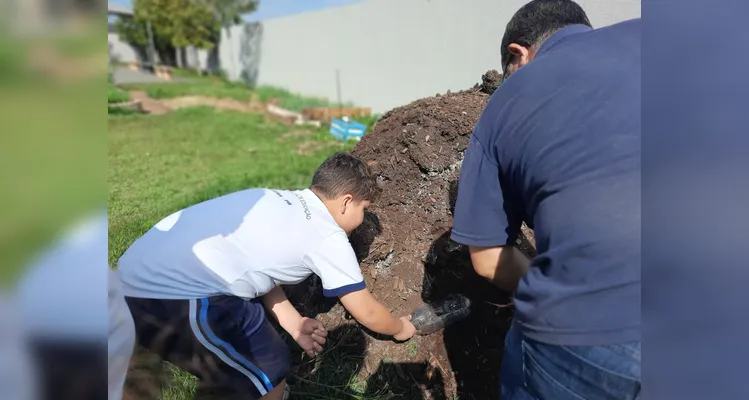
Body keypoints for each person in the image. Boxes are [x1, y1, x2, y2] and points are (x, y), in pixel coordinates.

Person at [451, 1, 641, 399]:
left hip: (592, 329)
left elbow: (486, 259)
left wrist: (544, 279)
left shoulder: (505, 104)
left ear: (517, 55)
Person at [116, 152, 417, 400]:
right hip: (175, 297)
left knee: (255, 366)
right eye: (364, 209)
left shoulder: (272, 199)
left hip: (129, 280)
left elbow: (252, 266)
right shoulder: (327, 235)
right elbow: (365, 310)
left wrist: (292, 320)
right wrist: (400, 328)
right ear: (347, 201)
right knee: (268, 365)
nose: (361, 220)